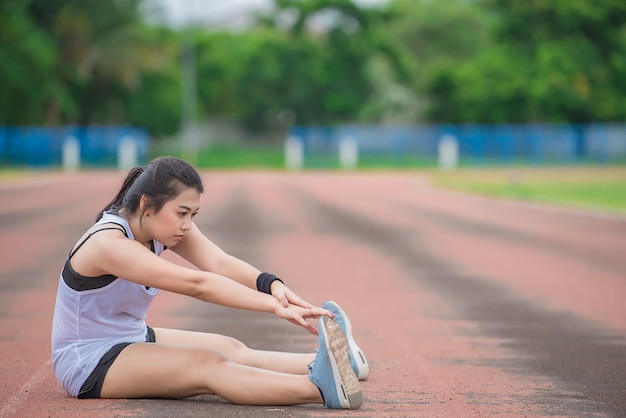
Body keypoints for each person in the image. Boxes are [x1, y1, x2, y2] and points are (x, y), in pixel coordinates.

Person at [51, 156, 369, 409]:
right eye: (182, 213)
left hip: (130, 336)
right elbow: (198, 284)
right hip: (89, 361)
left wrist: (271, 285)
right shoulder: (108, 244)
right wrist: (273, 307)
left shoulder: (158, 227)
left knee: (230, 347)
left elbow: (218, 262)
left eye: (194, 215)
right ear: (147, 204)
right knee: (207, 364)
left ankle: (342, 364)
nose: (187, 225)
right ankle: (321, 388)